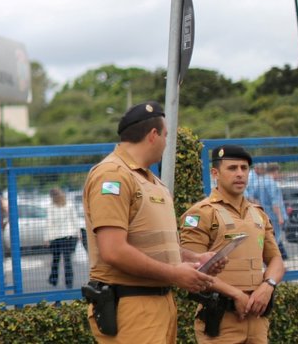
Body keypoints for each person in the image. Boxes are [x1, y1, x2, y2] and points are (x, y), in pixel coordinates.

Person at [83, 101, 218, 343]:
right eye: (166, 135)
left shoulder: (152, 181)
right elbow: (113, 251)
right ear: (153, 135)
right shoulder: (113, 175)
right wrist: (175, 274)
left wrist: (196, 259)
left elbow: (154, 247)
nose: (167, 143)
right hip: (131, 306)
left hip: (158, 303)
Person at [180, 145, 285, 343]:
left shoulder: (258, 213)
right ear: (215, 173)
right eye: (232, 168)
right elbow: (193, 269)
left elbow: (276, 260)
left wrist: (268, 285)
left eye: (244, 168)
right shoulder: (201, 213)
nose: (240, 174)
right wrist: (236, 294)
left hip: (257, 318)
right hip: (220, 320)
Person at [45, 187, 79, 288]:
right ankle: (69, 283)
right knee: (67, 261)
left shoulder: (51, 207)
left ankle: (53, 280)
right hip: (68, 236)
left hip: (56, 237)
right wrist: (78, 233)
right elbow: (75, 219)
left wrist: (47, 238)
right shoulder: (69, 205)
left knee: (56, 260)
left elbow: (49, 223)